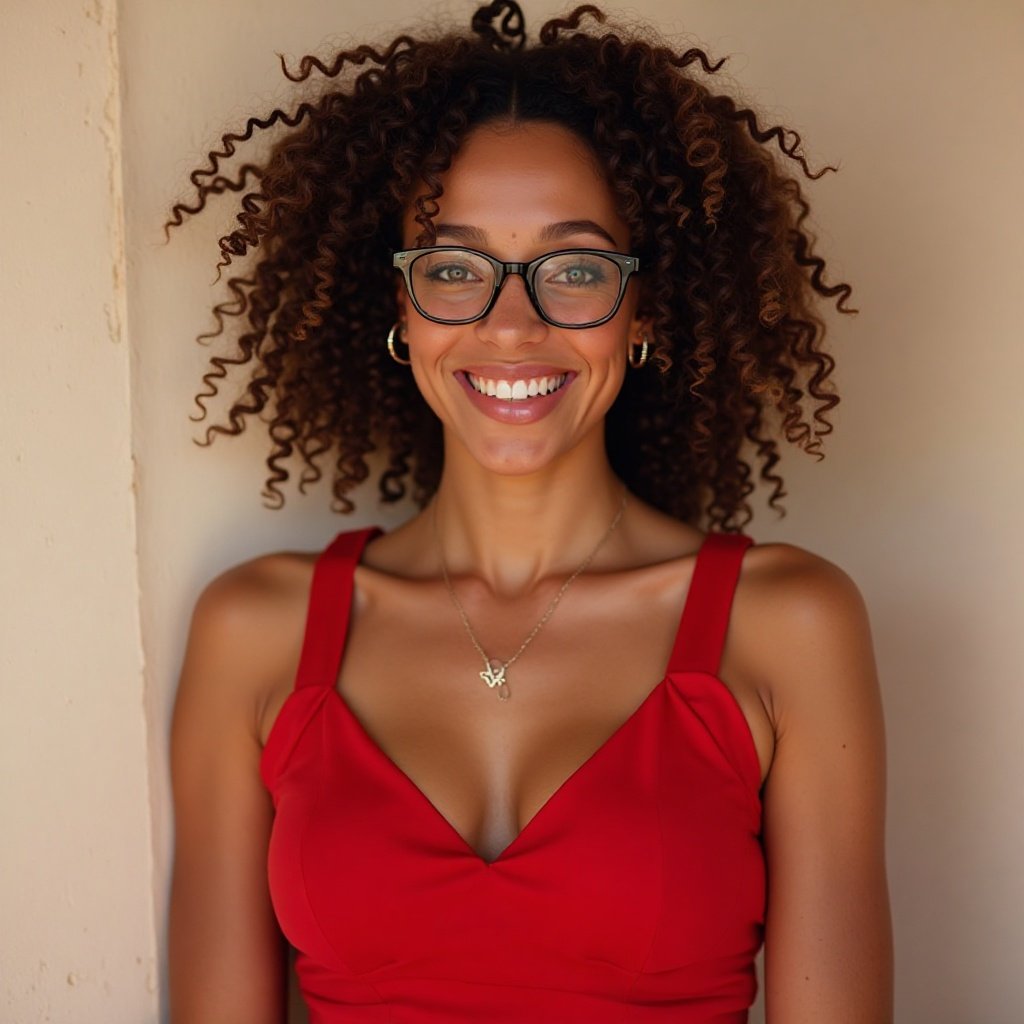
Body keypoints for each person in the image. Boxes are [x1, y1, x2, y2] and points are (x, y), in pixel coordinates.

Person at [167, 3, 893, 1021]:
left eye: (576, 268)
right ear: (399, 308)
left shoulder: (786, 624)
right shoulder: (254, 632)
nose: (513, 325)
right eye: (454, 269)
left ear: (644, 310)